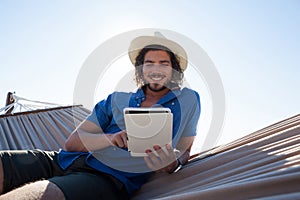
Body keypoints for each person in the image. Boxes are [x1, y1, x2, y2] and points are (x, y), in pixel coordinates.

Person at [0, 32, 201, 200]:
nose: (155, 69)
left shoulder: (188, 100)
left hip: (107, 177)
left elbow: (185, 150)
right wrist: (111, 139)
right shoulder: (115, 100)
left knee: (42, 195)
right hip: (61, 160)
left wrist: (173, 163)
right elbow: (72, 143)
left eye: (163, 63)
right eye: (149, 63)